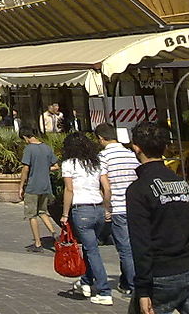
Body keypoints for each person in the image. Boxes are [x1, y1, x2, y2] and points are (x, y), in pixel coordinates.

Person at [127, 122, 189, 314]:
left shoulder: (138, 189)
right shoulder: (182, 183)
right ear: (165, 148)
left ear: (136, 147)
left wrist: (143, 289)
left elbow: (140, 243)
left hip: (159, 277)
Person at [61, 130, 113, 305]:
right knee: (90, 248)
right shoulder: (96, 163)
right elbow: (106, 187)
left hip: (81, 210)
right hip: (98, 208)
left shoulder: (69, 164)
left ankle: (104, 290)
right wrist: (106, 208)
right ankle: (86, 281)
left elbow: (69, 190)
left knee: (92, 250)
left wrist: (65, 214)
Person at [96, 123, 139, 297]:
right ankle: (128, 279)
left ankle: (132, 284)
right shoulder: (131, 155)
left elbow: (106, 187)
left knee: (125, 248)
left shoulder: (103, 156)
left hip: (118, 207)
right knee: (135, 246)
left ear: (100, 138)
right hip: (135, 207)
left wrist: (107, 208)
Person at [18, 126, 59, 253]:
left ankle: (37, 243)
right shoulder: (46, 147)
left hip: (33, 186)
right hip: (45, 186)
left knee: (32, 215)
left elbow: (25, 169)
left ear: (25, 137)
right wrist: (45, 169)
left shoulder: (29, 149)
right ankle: (54, 233)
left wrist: (21, 186)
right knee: (42, 211)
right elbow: (56, 166)